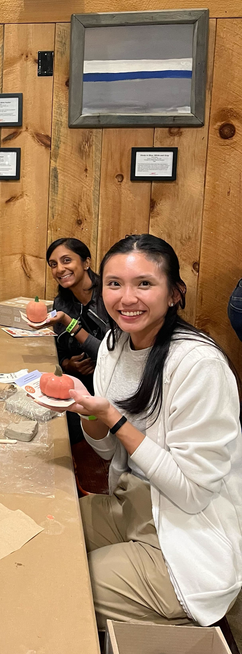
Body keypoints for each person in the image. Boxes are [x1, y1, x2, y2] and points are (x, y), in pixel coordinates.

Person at [66, 234, 242, 630]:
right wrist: (86, 411)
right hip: (134, 505)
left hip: (188, 539)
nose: (127, 298)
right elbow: (110, 452)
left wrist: (112, 417)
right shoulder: (115, 344)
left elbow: (193, 493)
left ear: (175, 293)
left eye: (144, 283)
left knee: (60, 584)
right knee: (50, 534)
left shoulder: (199, 365)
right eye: (114, 284)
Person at [43, 238, 109, 443]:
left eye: (66, 260)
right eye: (53, 264)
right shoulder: (61, 301)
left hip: (108, 389)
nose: (59, 269)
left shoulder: (109, 297)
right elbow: (58, 346)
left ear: (86, 263)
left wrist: (69, 322)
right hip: (75, 386)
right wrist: (66, 364)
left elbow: (109, 356)